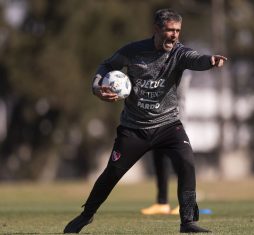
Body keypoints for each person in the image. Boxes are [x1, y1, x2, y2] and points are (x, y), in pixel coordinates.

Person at [63, 8, 227, 234]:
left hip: (169, 125)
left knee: (187, 163)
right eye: (170, 30)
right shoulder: (133, 51)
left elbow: (195, 59)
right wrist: (97, 87)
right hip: (134, 129)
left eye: (178, 31)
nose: (174, 35)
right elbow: (107, 65)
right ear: (157, 29)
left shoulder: (178, 53)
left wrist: (209, 60)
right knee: (112, 174)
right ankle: (86, 215)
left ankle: (187, 222)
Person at [141, 72, 191, 216]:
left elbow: (175, 94)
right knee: (160, 159)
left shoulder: (182, 65)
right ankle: (162, 202)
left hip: (175, 121)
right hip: (158, 121)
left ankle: (187, 204)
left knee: (180, 162)